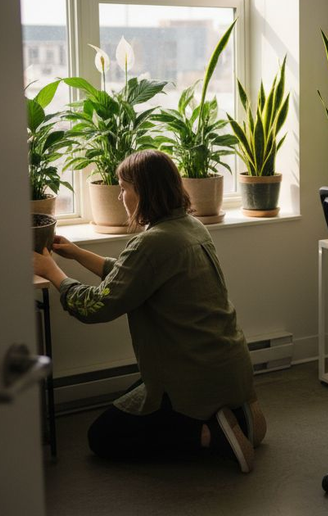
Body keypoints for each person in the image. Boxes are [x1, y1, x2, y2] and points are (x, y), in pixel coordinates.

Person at [32, 150, 266, 472]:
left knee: (101, 437)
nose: (120, 195)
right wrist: (75, 254)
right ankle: (238, 414)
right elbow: (133, 276)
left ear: (144, 192)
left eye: (124, 187)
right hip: (229, 367)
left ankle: (211, 434)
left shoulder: (152, 243)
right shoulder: (192, 227)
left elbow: (97, 306)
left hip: (194, 376)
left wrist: (52, 272)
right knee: (134, 391)